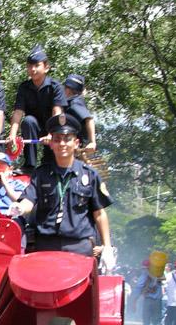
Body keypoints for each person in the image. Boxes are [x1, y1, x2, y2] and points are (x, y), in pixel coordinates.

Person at [11, 114, 114, 266]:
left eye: (67, 139)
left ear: (76, 143)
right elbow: (29, 200)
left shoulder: (90, 175)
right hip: (46, 247)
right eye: (57, 139)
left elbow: (99, 214)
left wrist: (107, 247)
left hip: (79, 248)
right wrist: (19, 208)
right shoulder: (41, 174)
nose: (62, 144)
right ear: (51, 143)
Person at [7, 44, 67, 172]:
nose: (32, 69)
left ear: (46, 67)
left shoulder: (55, 86)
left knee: (51, 163)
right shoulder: (24, 87)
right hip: (34, 128)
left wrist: (52, 134)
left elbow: (57, 112)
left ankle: (51, 163)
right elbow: (18, 112)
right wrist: (12, 135)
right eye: (29, 66)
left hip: (53, 128)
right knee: (28, 121)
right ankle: (29, 165)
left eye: (36, 65)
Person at [130, 260, 164, 325]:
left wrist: (134, 301)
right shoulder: (159, 275)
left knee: (146, 321)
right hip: (158, 301)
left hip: (148, 301)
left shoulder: (144, 275)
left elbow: (138, 288)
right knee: (156, 320)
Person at [63, 74, 96, 152]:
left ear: (70, 89)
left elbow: (89, 119)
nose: (63, 89)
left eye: (65, 87)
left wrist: (92, 142)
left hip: (82, 149)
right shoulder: (71, 102)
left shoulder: (74, 103)